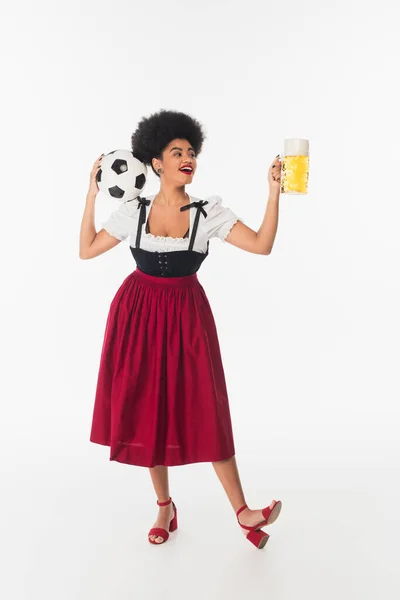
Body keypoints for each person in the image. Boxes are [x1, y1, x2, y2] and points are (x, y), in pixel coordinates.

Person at [79, 109, 282, 549]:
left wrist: (273, 193)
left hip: (188, 315)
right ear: (156, 163)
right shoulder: (133, 210)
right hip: (137, 314)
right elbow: (87, 250)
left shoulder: (209, 212)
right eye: (177, 152)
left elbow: (262, 246)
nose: (188, 158)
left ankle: (243, 512)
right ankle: (165, 506)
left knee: (207, 408)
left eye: (191, 152)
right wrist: (90, 196)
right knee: (148, 409)